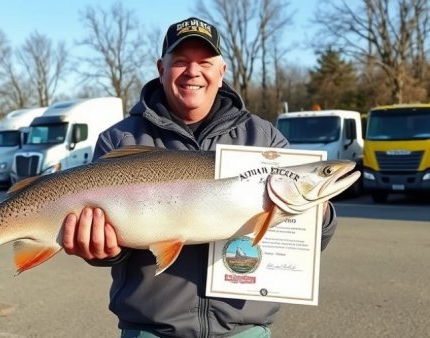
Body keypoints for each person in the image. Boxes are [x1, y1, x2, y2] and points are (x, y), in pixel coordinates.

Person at [61, 17, 338, 338]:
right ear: (161, 69)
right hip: (149, 331)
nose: (193, 71)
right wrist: (103, 249)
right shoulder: (119, 140)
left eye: (204, 62)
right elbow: (108, 246)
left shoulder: (265, 139)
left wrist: (320, 215)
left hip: (243, 330)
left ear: (221, 72)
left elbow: (309, 243)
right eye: (180, 62)